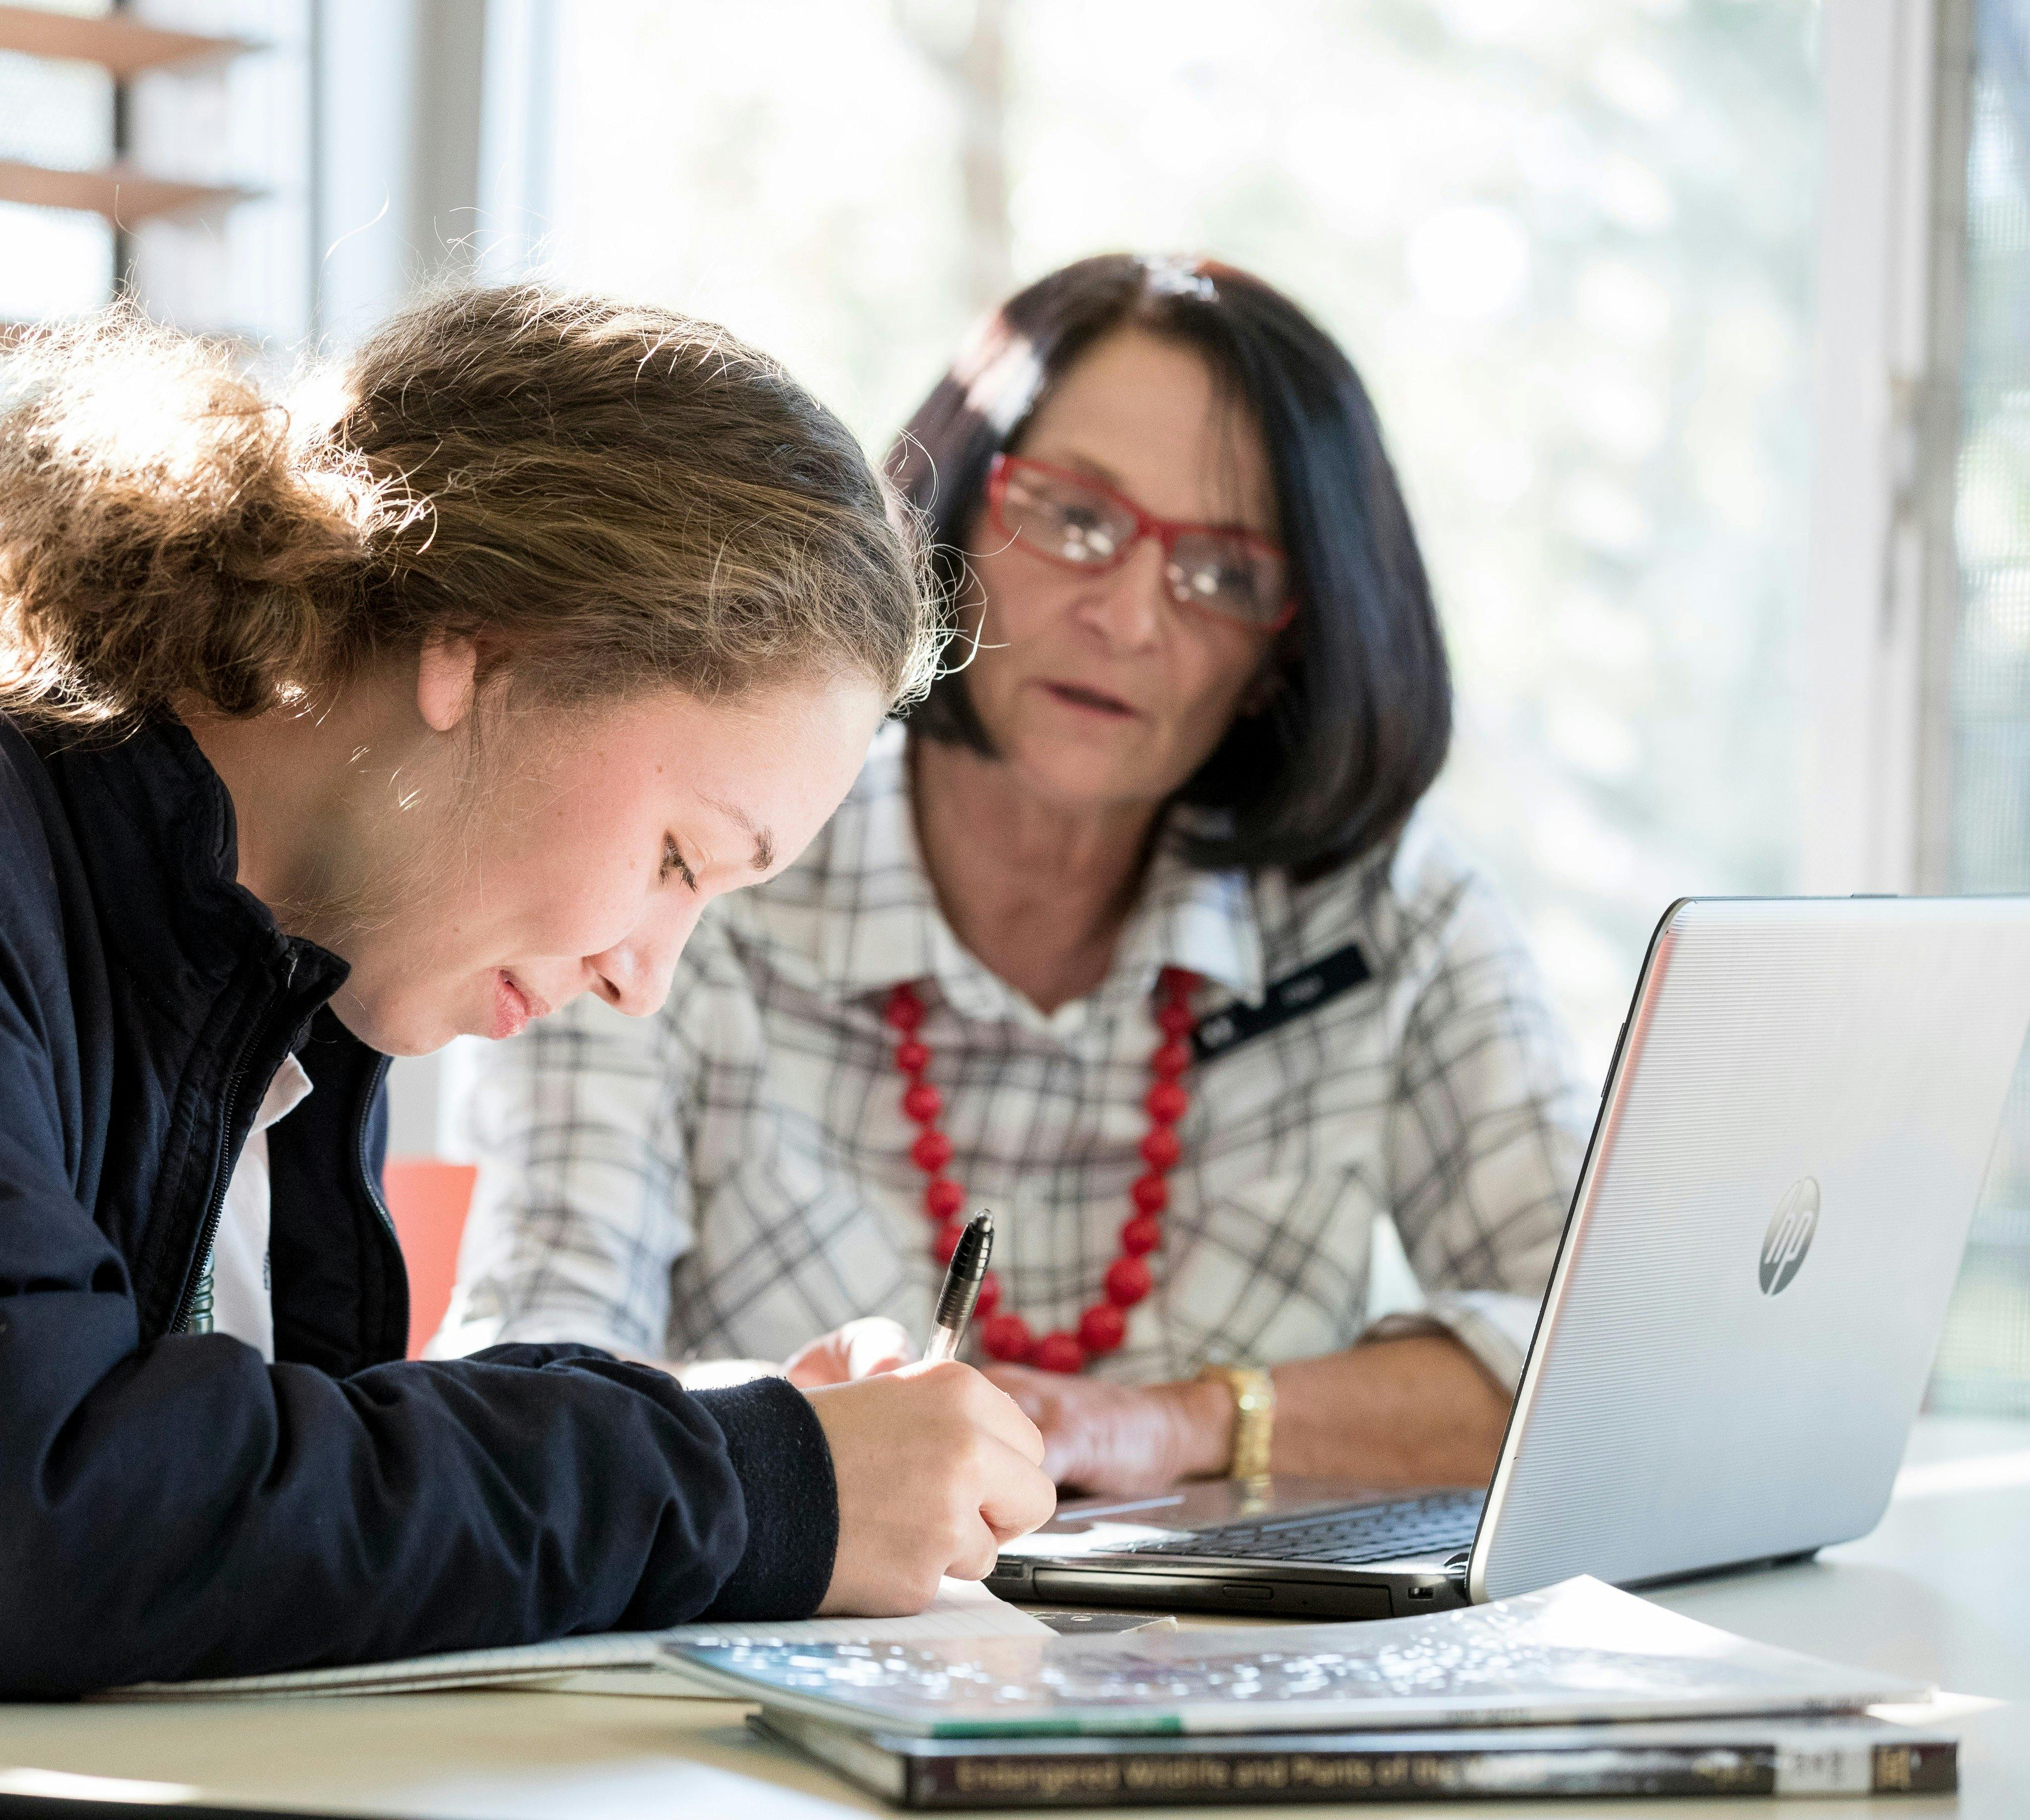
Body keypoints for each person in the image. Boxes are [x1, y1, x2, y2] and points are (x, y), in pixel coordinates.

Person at [0, 288, 1058, 1698]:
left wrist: (721, 1436)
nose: (639, 974)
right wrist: (741, 1484)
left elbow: (239, 1509)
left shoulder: (276, 968)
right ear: (489, 646)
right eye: (682, 855)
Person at [439, 255, 1593, 1501]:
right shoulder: (700, 852)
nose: (1131, 618)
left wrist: (1179, 1426)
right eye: (1079, 519)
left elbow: (1604, 1368)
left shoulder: (1389, 914)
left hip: (1235, 1685)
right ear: (952, 516)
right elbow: (524, 1382)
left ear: (1289, 649)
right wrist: (792, 1450)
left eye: (1226, 575)